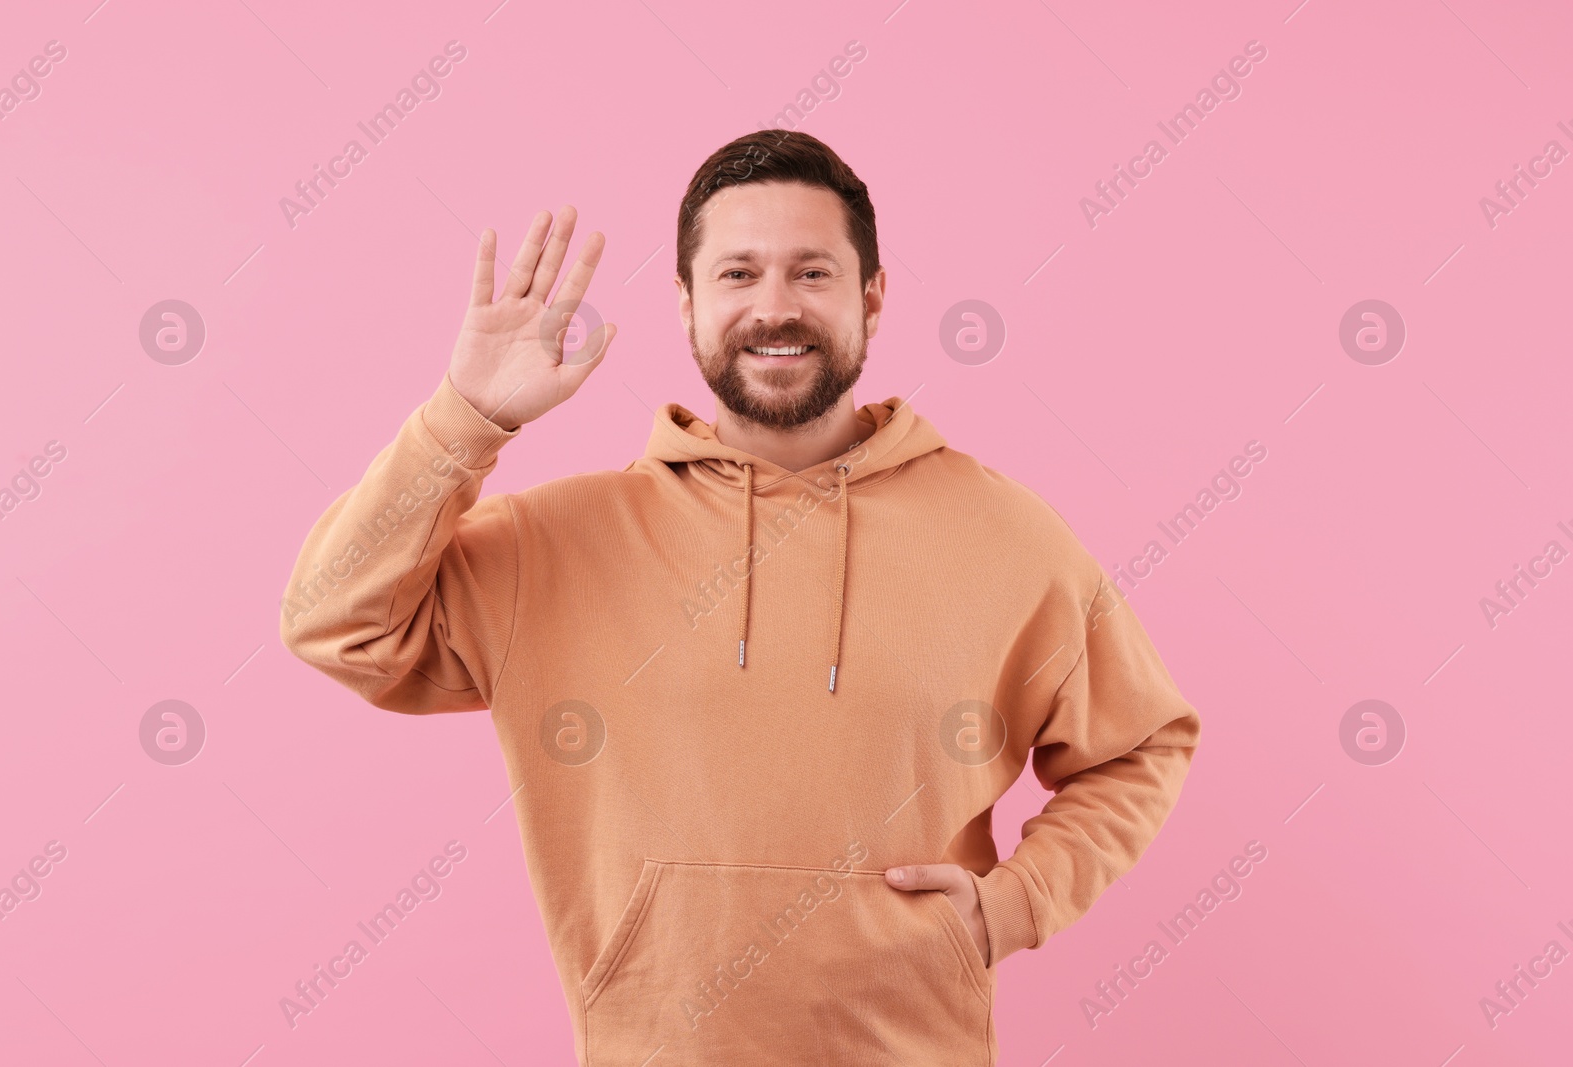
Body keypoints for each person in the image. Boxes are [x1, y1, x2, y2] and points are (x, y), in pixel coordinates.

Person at [279, 129, 1201, 1065]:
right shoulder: (553, 544)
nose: (774, 307)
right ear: (684, 305)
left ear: (871, 299)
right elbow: (334, 619)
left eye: (812, 273)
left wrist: (1017, 903)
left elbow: (1142, 743)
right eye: (736, 275)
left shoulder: (1006, 537)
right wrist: (463, 420)